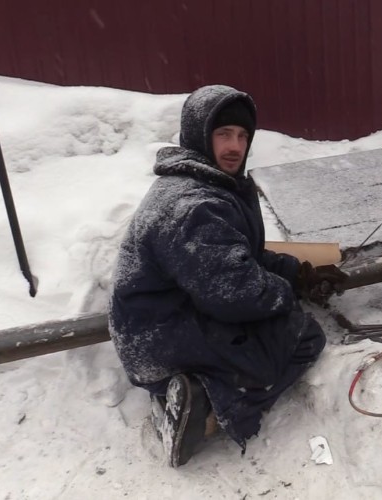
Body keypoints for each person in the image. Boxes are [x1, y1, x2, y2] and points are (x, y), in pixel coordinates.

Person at [108, 85, 347, 467]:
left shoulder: (208, 183)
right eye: (223, 134)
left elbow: (241, 258)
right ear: (199, 135)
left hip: (162, 321)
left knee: (274, 323)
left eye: (241, 135)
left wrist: (298, 273)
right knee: (301, 335)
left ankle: (191, 391)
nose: (235, 146)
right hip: (159, 337)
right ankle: (208, 411)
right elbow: (235, 292)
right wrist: (289, 293)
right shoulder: (193, 206)